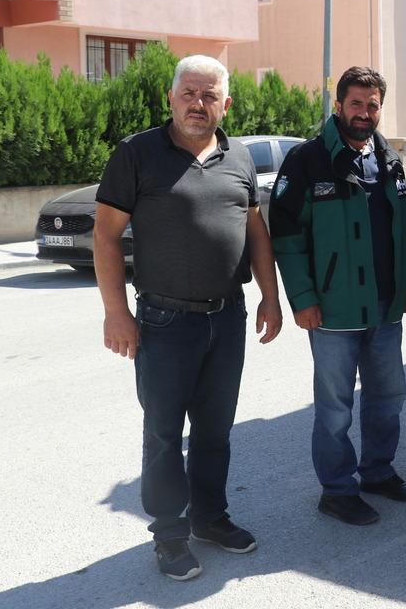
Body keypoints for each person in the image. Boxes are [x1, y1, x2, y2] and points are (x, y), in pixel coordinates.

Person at [94, 54, 283, 581]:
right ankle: (170, 536)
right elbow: (106, 236)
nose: (198, 104)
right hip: (162, 321)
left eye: (209, 95)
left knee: (216, 430)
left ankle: (211, 518)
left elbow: (256, 233)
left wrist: (271, 296)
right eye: (188, 93)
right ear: (171, 98)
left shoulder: (239, 156)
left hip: (227, 319)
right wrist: (116, 312)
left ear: (226, 103)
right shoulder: (137, 154)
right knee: (162, 432)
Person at [269, 66, 406, 526]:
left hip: (385, 304)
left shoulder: (389, 159)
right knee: (335, 407)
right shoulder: (307, 159)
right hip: (332, 309)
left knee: (387, 396)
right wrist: (302, 298)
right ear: (339, 105)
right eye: (356, 103)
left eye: (372, 105)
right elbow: (286, 236)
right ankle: (336, 490)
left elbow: (400, 230)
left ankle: (377, 471)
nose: (365, 112)